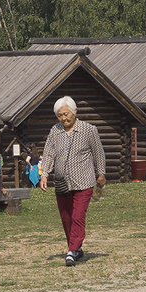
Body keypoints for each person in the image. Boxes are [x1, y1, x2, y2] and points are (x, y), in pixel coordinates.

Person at [39, 96, 106, 267]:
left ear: (75, 112)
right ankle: (76, 248)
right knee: (66, 217)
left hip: (83, 181)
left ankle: (72, 250)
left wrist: (101, 173)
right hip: (61, 182)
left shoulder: (88, 130)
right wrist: (44, 174)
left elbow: (98, 152)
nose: (64, 118)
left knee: (77, 216)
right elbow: (48, 152)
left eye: (66, 114)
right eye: (60, 115)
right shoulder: (55, 131)